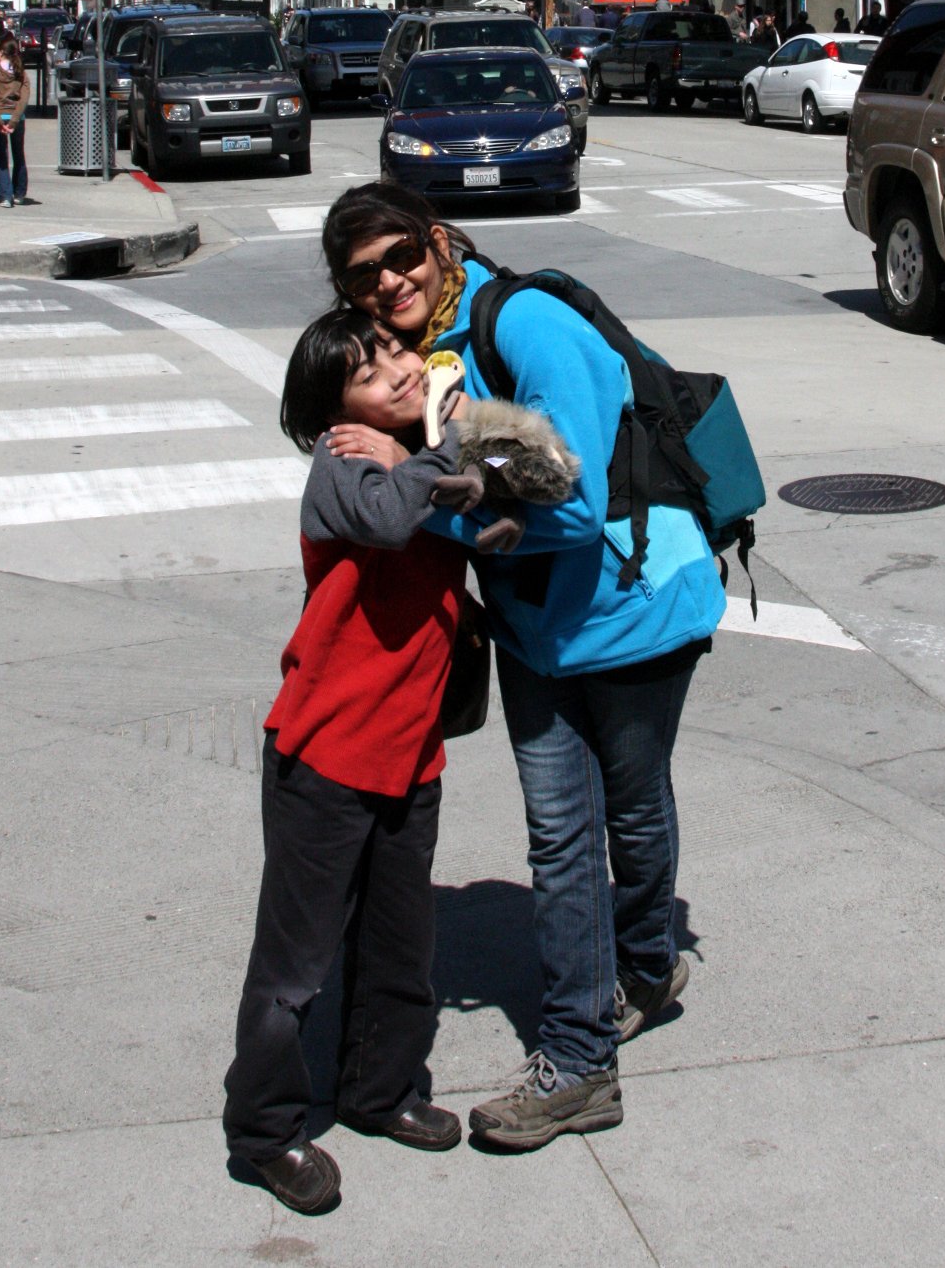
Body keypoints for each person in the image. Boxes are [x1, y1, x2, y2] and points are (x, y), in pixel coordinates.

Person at [321, 183, 723, 1154]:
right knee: (560, 833)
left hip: (635, 606)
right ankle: (583, 1056)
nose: (388, 282)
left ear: (437, 239)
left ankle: (642, 963)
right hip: (536, 623)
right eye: (361, 274)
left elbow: (569, 507)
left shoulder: (523, 322)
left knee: (627, 806)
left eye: (400, 256)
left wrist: (422, 495)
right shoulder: (413, 358)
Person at [224, 308, 474, 1216]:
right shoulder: (346, 465)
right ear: (336, 410)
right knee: (295, 967)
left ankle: (380, 1092)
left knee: (400, 944)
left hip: (411, 753)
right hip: (325, 757)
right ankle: (263, 1132)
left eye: (401, 351)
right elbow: (387, 520)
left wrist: (453, 465)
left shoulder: (418, 462)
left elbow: (489, 526)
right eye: (372, 372)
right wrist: (441, 455)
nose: (402, 371)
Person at [0, 38, 31, 208]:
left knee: (2, 155)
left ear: (1, 51)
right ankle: (19, 193)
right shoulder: (21, 72)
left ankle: (5, 195)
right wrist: (14, 121)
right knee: (18, 154)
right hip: (16, 117)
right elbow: (25, 97)